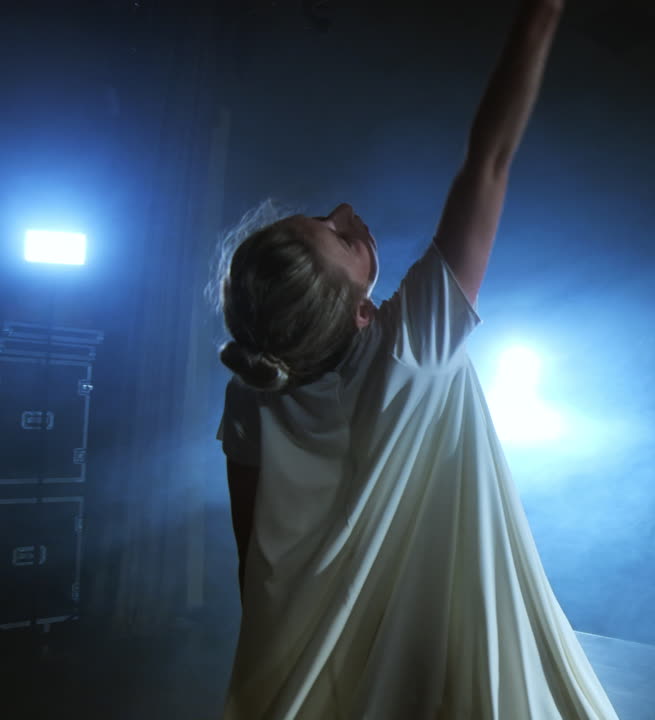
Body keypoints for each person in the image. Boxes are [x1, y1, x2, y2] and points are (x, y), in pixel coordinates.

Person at [212, 1, 620, 717]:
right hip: (432, 649)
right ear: (360, 311)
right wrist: (539, 17)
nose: (345, 210)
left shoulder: (253, 384)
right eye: (339, 235)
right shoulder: (415, 346)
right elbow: (489, 159)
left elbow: (254, 562)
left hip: (309, 670)